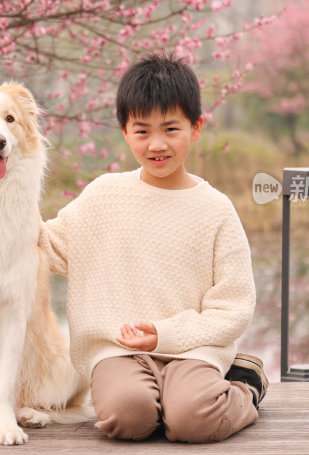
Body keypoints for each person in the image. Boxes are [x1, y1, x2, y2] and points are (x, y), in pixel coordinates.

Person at [41, 52, 268, 443]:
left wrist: (164, 334)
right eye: (142, 131)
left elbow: (234, 307)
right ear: (124, 131)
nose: (157, 144)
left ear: (196, 128)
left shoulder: (215, 209)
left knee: (192, 421)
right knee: (128, 416)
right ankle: (163, 399)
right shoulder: (105, 195)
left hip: (193, 349)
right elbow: (49, 246)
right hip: (117, 348)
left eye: (171, 129)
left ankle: (245, 386)